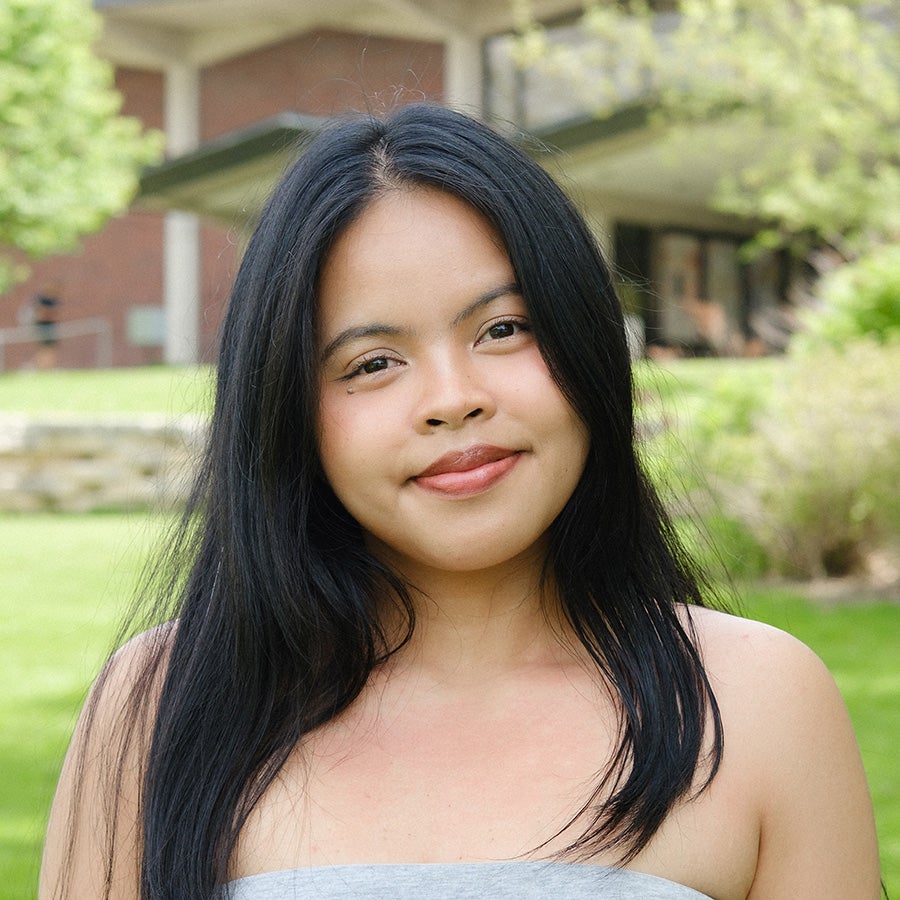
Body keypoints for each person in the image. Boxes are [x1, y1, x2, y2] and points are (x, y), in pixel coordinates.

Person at [40, 103, 881, 900]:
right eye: (372, 362)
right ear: (290, 412)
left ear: (585, 340)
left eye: (504, 328)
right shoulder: (162, 705)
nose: (452, 398)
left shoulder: (756, 699)